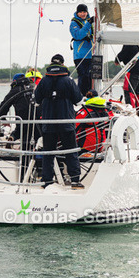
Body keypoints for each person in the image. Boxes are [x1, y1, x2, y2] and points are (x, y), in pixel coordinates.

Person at [34, 54, 83, 189]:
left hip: (48, 124)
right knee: (71, 151)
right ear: (62, 64)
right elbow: (78, 101)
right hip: (66, 123)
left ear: (51, 64)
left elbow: (36, 101)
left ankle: (47, 181)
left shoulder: (43, 81)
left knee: (48, 153)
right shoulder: (68, 80)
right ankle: (74, 180)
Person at [70, 4, 95, 97]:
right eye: (80, 12)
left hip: (90, 54)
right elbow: (78, 35)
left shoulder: (90, 22)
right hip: (80, 55)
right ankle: (80, 96)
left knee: (91, 77)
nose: (82, 14)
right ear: (77, 13)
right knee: (83, 76)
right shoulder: (74, 23)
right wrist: (89, 23)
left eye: (84, 12)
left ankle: (90, 96)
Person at [116, 44, 139, 120]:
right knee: (137, 92)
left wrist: (116, 60)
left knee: (128, 90)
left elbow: (121, 55)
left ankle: (131, 114)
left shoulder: (129, 43)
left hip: (132, 71)